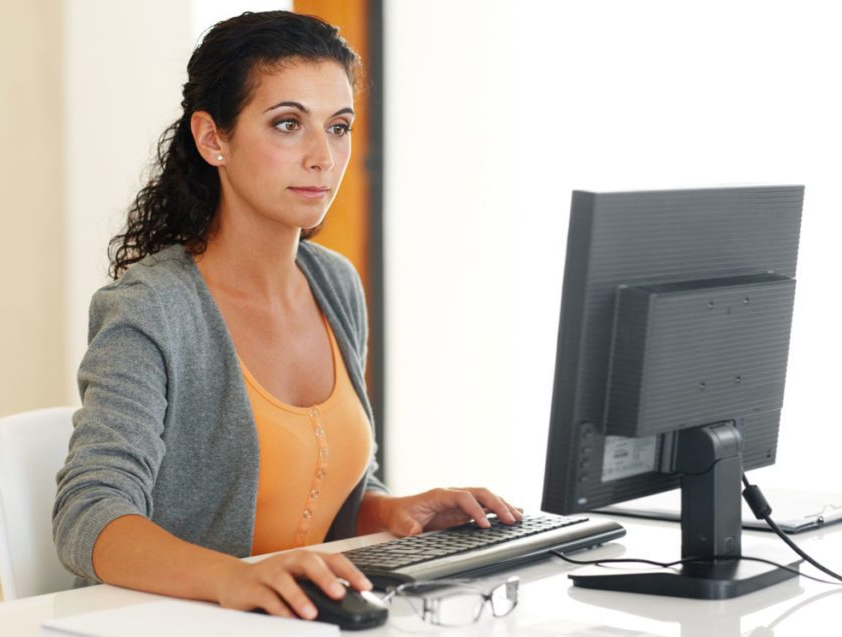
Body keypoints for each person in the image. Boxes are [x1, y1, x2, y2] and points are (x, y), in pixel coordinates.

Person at [53, 10, 522, 621]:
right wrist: (234, 580)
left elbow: (320, 489)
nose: (322, 156)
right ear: (212, 138)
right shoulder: (151, 308)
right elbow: (88, 516)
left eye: (338, 127)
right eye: (287, 124)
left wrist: (392, 511)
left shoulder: (335, 284)